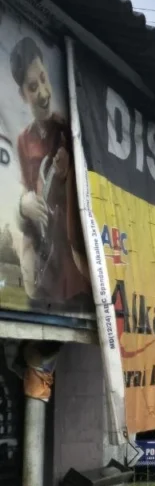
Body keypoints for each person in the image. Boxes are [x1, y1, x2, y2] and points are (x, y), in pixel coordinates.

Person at [10, 35, 90, 306]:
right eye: (33, 87)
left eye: (43, 78)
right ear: (22, 94)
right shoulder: (23, 141)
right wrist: (24, 206)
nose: (43, 92)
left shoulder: (68, 130)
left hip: (75, 275)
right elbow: (23, 197)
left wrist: (67, 177)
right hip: (46, 276)